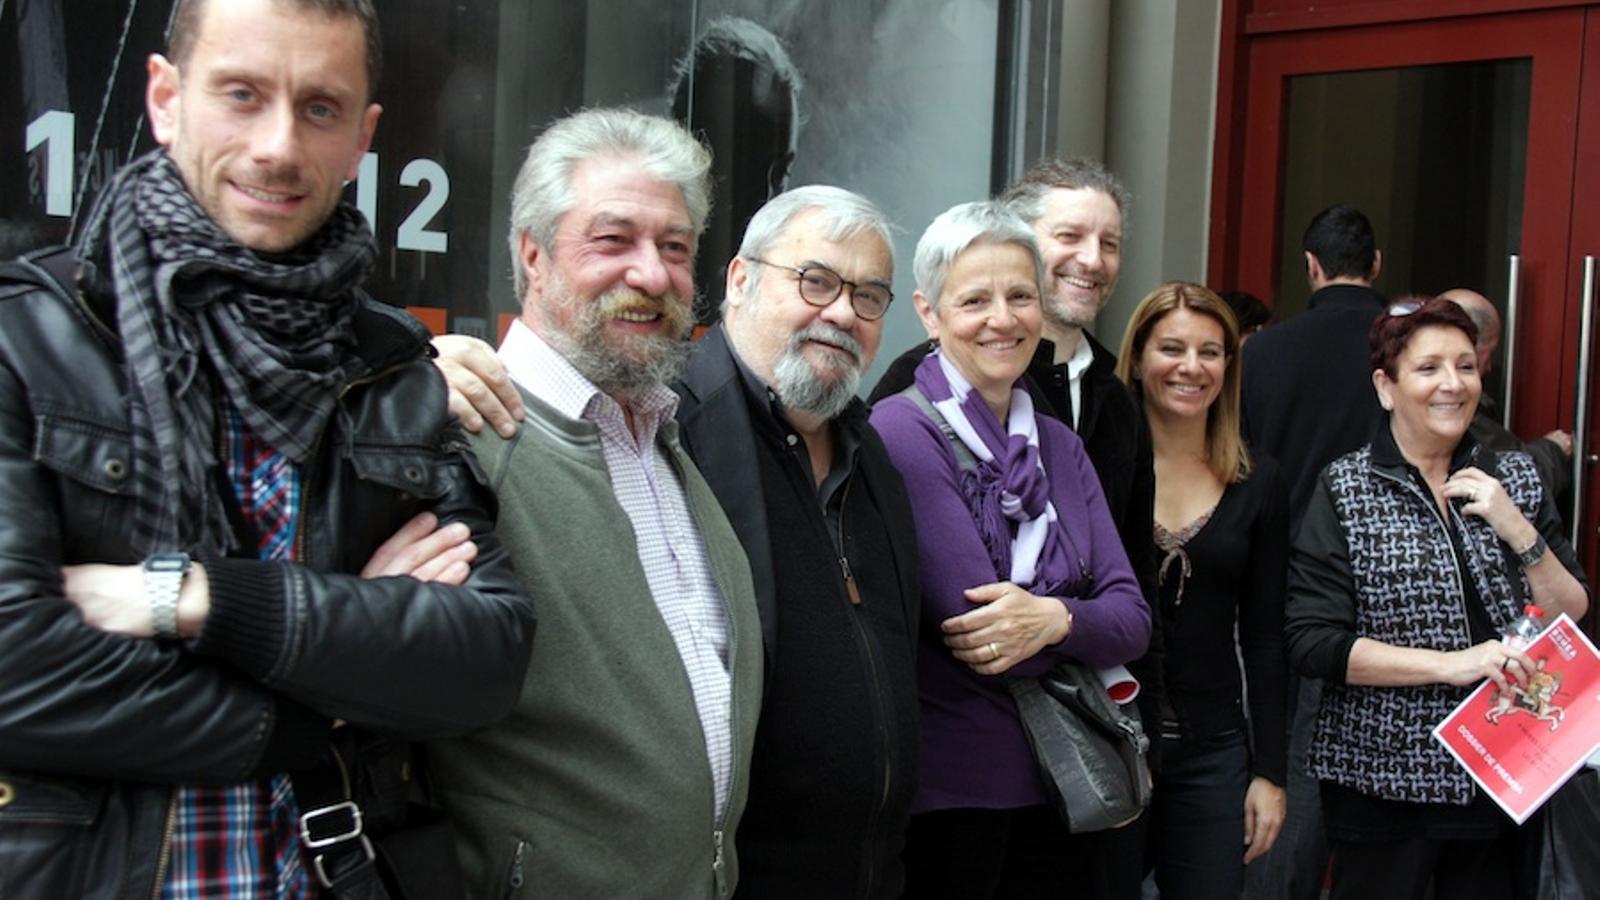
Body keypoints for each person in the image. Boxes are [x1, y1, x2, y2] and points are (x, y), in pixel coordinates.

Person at [0, 0, 535, 896]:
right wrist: (329, 695)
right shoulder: (30, 343)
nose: (280, 147)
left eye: (319, 108)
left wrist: (195, 599)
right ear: (166, 99)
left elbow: (484, 657)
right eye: (242, 95)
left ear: (363, 135)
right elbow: (17, 673)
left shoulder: (391, 367)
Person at [431, 182, 922, 896]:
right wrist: (422, 366)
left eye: (869, 295)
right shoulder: (659, 426)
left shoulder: (872, 452)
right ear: (741, 279)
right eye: (816, 281)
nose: (842, 312)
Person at [423, 107, 764, 899]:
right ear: (532, 257)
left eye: (675, 247)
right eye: (613, 241)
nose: (652, 275)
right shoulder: (457, 440)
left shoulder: (669, 443)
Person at [870, 159, 1160, 900]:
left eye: (1020, 296)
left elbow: (1134, 620)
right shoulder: (904, 428)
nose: (1002, 318)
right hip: (956, 789)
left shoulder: (1058, 441)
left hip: (1068, 785)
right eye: (975, 300)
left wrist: (1052, 617)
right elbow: (981, 632)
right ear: (929, 314)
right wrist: (1080, 618)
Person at [1284, 297, 1587, 900]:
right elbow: (1313, 641)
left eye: (1466, 366)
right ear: (1386, 386)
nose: (1453, 384)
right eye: (1428, 369)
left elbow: (1570, 610)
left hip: (1506, 771)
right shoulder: (1347, 487)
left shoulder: (1516, 478)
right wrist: (1457, 665)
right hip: (1382, 779)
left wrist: (1517, 528)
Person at [1115, 283, 1290, 898]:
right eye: (1172, 348)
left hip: (1213, 750)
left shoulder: (1258, 480)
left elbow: (1267, 636)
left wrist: (1270, 771)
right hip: (1110, 740)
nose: (1192, 367)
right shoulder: (1095, 465)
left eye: (1211, 352)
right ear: (1137, 358)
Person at [1241, 203, 1387, 900]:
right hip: (1387, 587)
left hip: (1284, 579)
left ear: (1310, 266)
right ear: (1377, 264)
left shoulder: (1265, 352)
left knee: (1290, 760)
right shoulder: (1399, 353)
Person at [1440, 287, 1572, 497]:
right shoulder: (1453, 409)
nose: (1489, 367)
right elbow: (1514, 480)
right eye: (1488, 354)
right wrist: (1553, 449)